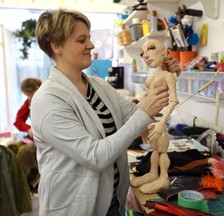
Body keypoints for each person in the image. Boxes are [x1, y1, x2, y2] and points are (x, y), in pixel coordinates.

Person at [31, 8, 181, 216]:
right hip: (75, 209)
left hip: (112, 202)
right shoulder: (47, 101)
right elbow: (96, 156)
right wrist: (145, 111)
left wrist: (163, 74)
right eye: (82, 40)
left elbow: (134, 116)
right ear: (56, 46)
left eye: (89, 38)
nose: (91, 45)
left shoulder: (99, 86)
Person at [130, 39, 179, 194]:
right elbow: (147, 99)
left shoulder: (168, 76)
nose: (146, 55)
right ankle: (153, 173)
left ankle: (163, 178)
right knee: (154, 150)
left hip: (159, 122)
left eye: (151, 49)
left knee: (162, 150)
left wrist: (161, 123)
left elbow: (174, 101)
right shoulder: (152, 78)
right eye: (143, 53)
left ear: (164, 51)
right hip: (151, 121)